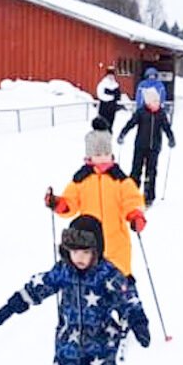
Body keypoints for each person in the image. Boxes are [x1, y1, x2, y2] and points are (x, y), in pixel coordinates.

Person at [0, 215, 150, 365]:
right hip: (69, 339)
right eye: (74, 252)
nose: (79, 258)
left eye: (85, 252)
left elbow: (127, 296)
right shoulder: (63, 271)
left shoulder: (107, 273)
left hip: (102, 340)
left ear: (97, 250)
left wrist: (138, 320)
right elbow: (40, 285)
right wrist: (13, 305)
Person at [45, 117, 146, 278]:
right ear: (89, 157)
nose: (104, 158)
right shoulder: (81, 180)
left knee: (118, 274)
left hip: (116, 241)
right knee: (92, 278)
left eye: (107, 153)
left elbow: (131, 199)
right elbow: (71, 203)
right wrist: (58, 203)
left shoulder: (119, 179)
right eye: (98, 154)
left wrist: (135, 215)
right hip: (89, 243)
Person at [117, 87, 176, 206]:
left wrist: (171, 138)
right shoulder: (141, 112)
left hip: (154, 147)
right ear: (148, 102)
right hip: (140, 145)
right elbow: (131, 123)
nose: (157, 104)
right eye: (154, 102)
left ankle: (149, 196)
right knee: (136, 170)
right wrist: (122, 134)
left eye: (158, 101)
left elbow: (166, 128)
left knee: (151, 171)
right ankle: (131, 193)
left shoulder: (161, 114)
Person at [95, 65, 121, 130]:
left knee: (110, 124)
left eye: (112, 74)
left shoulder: (116, 85)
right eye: (110, 74)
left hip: (112, 108)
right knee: (102, 123)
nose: (111, 76)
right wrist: (111, 97)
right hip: (104, 107)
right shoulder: (103, 84)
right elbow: (100, 95)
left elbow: (118, 96)